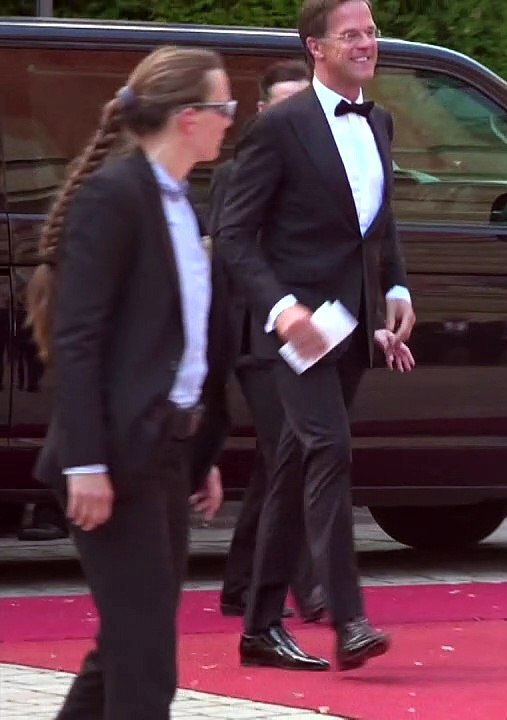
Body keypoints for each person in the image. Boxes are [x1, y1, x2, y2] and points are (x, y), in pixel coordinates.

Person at [25, 45, 234, 719]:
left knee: (126, 645)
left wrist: (199, 454)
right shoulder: (114, 198)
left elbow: (183, 346)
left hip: (163, 454)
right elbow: (78, 342)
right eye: (224, 106)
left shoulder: (176, 203)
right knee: (145, 662)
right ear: (189, 117)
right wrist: (86, 460)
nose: (233, 119)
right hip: (112, 457)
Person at [215, 0, 413, 672]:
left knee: (295, 467)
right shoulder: (280, 128)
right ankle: (348, 618)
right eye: (350, 34)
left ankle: (260, 627)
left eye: (370, 33)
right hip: (291, 331)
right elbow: (236, 237)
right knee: (328, 449)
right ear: (315, 48)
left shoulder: (379, 120)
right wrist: (281, 310)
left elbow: (377, 224)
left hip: (351, 325)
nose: (365, 43)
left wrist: (395, 292)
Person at [210, 59, 324, 624]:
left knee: (277, 460)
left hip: (310, 335)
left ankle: (240, 585)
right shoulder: (241, 171)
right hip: (258, 338)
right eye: (284, 103)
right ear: (262, 111)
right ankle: (310, 588)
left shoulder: (325, 169)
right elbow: (233, 256)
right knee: (294, 452)